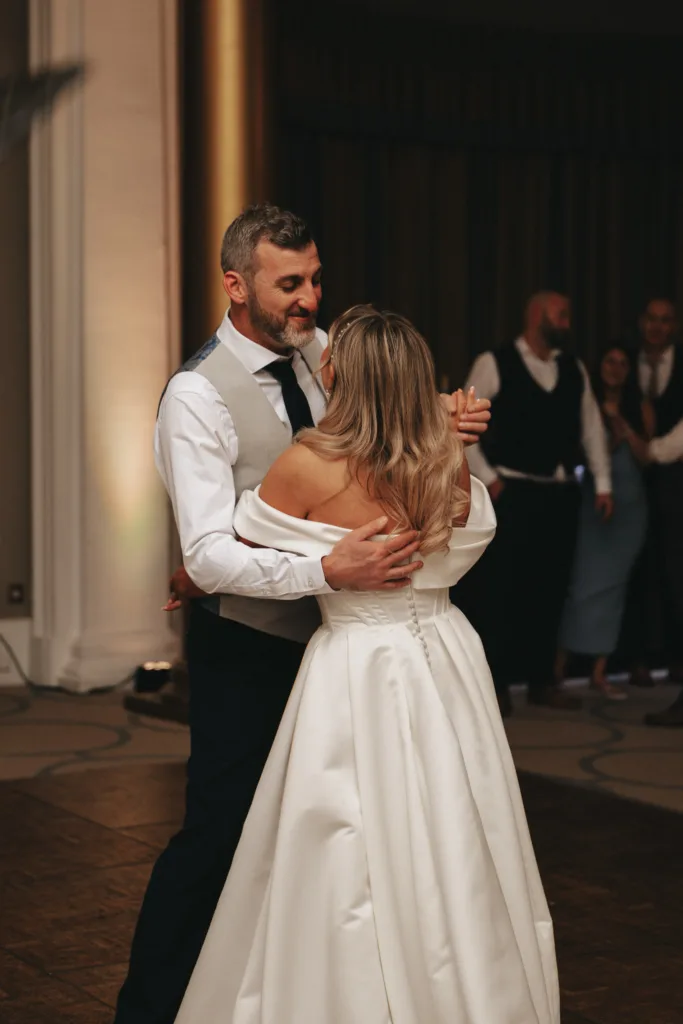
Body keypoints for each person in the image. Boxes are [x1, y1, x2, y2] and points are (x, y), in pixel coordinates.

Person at [114, 204, 490, 1024]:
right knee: (220, 839)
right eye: (290, 283)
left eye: (315, 279)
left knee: (331, 838)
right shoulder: (194, 396)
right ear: (235, 284)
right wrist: (323, 565)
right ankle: (147, 1011)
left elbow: (382, 435)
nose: (309, 299)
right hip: (249, 648)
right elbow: (212, 553)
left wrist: (446, 422)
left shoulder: (323, 354)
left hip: (343, 648)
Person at [174, 306, 560, 1024]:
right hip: (445, 656)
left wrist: (189, 577)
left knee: (343, 838)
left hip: (355, 659)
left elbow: (228, 547)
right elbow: (472, 533)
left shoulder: (307, 463)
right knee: (455, 831)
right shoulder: (445, 461)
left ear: (338, 375)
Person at [458, 292, 612, 716]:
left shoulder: (572, 367)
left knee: (551, 587)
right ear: (536, 316)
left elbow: (592, 427)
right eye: (561, 313)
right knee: (503, 589)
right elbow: (462, 421)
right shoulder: (496, 361)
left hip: (559, 494)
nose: (567, 321)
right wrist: (487, 478)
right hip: (512, 493)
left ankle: (543, 679)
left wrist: (603, 484)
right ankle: (499, 683)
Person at [556, 343, 652, 700]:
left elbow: (649, 457)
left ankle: (599, 671)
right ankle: (558, 669)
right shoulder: (587, 402)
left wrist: (627, 431)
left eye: (624, 362)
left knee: (615, 587)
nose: (616, 368)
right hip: (593, 502)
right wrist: (607, 435)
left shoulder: (638, 407)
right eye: (610, 360)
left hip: (630, 508)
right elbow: (581, 454)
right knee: (580, 583)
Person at [617, 299, 683, 727]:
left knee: (677, 578)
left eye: (665, 320)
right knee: (640, 574)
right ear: (642, 322)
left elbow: (667, 445)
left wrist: (648, 448)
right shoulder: (624, 364)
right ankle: (639, 658)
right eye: (651, 319)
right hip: (633, 489)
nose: (657, 327)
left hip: (676, 487)